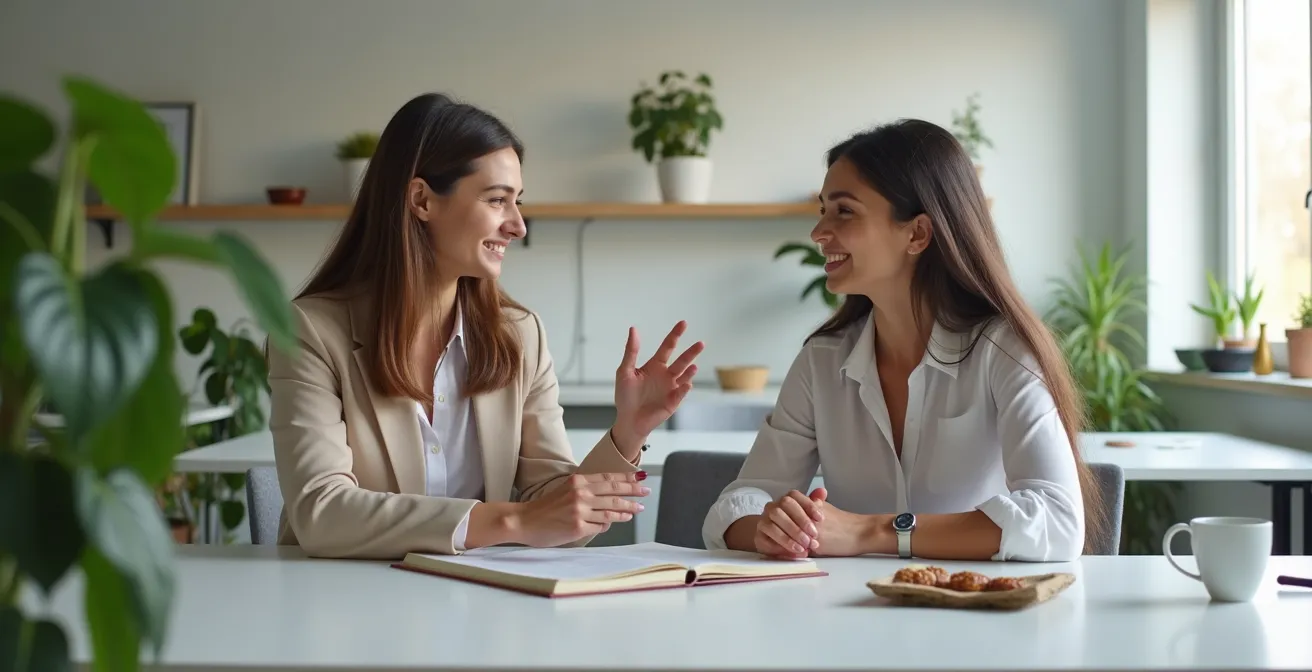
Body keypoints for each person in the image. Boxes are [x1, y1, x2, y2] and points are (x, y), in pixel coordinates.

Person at [267, 92, 703, 559]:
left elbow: (557, 517)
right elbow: (322, 512)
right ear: (421, 200)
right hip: (341, 596)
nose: (518, 225)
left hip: (477, 598)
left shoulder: (521, 335)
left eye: (517, 202)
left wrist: (628, 433)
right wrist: (512, 521)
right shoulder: (311, 331)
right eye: (497, 200)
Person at [702, 119, 1100, 563]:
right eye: (823, 211)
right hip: (848, 604)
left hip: (975, 603)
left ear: (917, 233)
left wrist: (869, 532)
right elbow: (734, 508)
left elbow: (1058, 522)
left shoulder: (1003, 351)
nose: (818, 233)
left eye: (844, 211)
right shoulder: (821, 360)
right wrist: (773, 528)